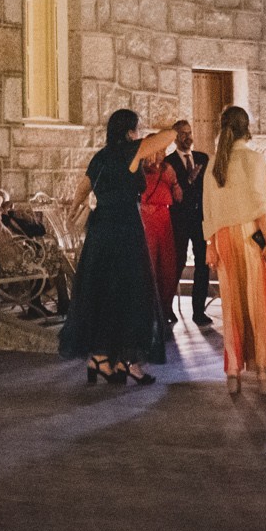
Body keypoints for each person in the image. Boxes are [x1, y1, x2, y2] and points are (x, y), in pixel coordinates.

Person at [60, 109, 180, 385]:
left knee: (103, 292)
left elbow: (82, 189)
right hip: (125, 228)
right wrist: (146, 139)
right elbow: (170, 136)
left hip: (100, 229)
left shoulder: (101, 156)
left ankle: (100, 359)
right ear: (129, 131)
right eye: (136, 129)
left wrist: (73, 211)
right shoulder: (131, 150)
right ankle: (129, 362)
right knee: (132, 293)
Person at [203, 105, 266, 393]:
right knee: (258, 302)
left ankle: (234, 371)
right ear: (246, 128)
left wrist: (209, 245)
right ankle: (262, 370)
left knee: (232, 304)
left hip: (223, 237)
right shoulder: (252, 159)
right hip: (250, 235)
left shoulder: (213, 163)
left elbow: (208, 209)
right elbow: (261, 206)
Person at [163, 121, 212, 327]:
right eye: (183, 134)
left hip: (200, 219)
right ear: (175, 138)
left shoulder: (202, 158)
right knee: (177, 263)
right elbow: (170, 193)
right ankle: (167, 308)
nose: (187, 137)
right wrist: (188, 180)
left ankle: (198, 311)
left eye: (189, 133)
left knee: (203, 263)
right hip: (180, 220)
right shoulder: (168, 162)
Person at [139, 147, 181, 312]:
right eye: (160, 150)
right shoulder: (140, 170)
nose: (163, 154)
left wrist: (176, 184)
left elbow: (178, 194)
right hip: (147, 217)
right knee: (150, 260)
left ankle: (165, 304)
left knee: (167, 262)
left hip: (164, 216)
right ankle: (150, 305)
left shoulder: (167, 169)